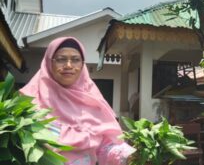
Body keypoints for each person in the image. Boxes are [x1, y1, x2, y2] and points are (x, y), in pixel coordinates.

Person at [20, 37, 135, 165]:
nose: (68, 65)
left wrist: (129, 156)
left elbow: (105, 147)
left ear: (82, 64)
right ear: (49, 62)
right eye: (61, 59)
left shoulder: (93, 100)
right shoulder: (28, 100)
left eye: (75, 60)